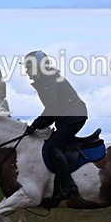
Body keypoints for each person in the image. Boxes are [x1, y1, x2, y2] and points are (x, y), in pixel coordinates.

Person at [23, 51, 87, 205]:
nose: (26, 71)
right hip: (67, 118)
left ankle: (69, 186)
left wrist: (36, 125)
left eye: (28, 66)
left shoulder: (49, 78)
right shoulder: (45, 79)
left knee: (53, 147)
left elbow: (52, 108)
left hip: (74, 117)